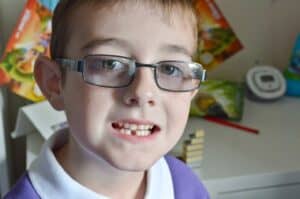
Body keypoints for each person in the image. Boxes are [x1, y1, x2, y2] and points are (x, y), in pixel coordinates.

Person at [4, 0, 209, 198]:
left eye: (170, 69)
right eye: (109, 64)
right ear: (54, 83)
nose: (143, 92)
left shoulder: (184, 184)